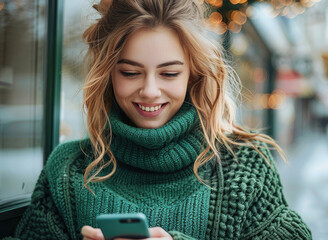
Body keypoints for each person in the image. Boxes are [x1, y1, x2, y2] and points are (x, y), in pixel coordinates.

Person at [9, 0, 312, 239]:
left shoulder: (244, 163)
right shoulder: (69, 168)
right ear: (108, 73)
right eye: (130, 72)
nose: (150, 91)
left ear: (193, 74)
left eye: (169, 73)